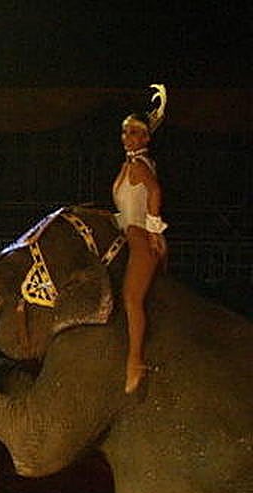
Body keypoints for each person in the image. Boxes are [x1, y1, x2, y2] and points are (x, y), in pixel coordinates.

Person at [112, 84, 169, 393]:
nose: (127, 137)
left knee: (132, 299)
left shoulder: (138, 165)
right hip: (129, 237)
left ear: (146, 138)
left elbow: (155, 192)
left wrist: (155, 231)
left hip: (141, 240)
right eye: (125, 131)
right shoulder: (129, 165)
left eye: (134, 132)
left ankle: (135, 363)